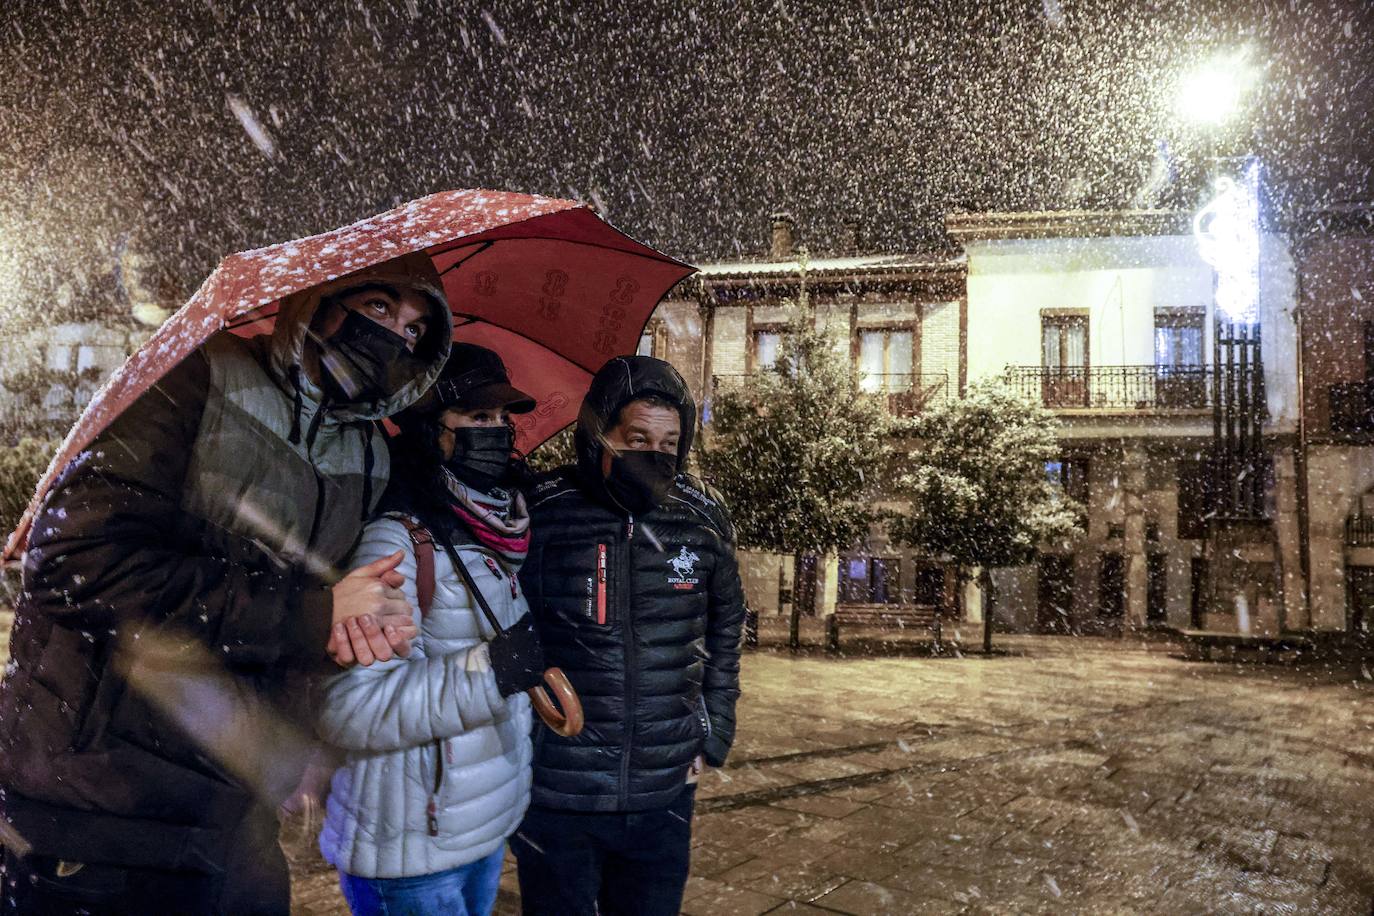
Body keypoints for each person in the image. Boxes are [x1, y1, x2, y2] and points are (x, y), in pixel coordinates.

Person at [0, 254, 453, 915]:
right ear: (317, 300)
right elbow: (75, 561)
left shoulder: (370, 454)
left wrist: (350, 641)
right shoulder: (194, 376)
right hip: (94, 804)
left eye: (415, 331)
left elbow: (307, 622)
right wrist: (314, 613)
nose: (394, 337)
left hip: (235, 815)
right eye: (379, 308)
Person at [511, 355, 745, 916]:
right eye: (637, 437)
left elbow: (727, 625)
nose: (654, 454)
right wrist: (525, 728)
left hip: (662, 794)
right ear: (599, 435)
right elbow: (501, 618)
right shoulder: (541, 512)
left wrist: (712, 728)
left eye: (669, 444)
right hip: (558, 793)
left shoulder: (700, 518)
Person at [317, 343, 546, 916]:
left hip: (478, 829)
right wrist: (494, 670)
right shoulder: (394, 542)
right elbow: (350, 709)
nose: (496, 430)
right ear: (429, 429)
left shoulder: (490, 530)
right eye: (475, 417)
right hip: (410, 847)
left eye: (500, 418)